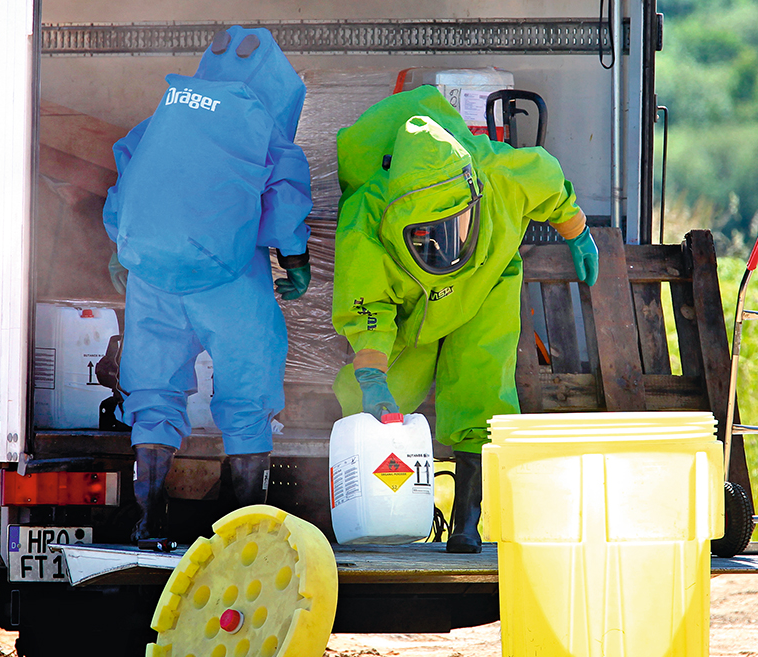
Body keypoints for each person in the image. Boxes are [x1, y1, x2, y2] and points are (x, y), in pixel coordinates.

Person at [331, 86, 599, 553]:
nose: (443, 245)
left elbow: (550, 184)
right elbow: (368, 306)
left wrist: (576, 230)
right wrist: (373, 375)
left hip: (486, 283)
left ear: (473, 194)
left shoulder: (501, 173)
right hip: (411, 306)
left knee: (481, 386)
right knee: (369, 398)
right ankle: (367, 506)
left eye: (454, 227)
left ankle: (467, 522)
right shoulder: (365, 221)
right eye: (426, 236)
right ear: (397, 219)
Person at [102, 26, 312, 541]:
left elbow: (126, 169)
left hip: (150, 273)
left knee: (152, 393)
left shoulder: (164, 115)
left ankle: (148, 521)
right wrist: (296, 258)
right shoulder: (261, 123)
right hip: (227, 277)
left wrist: (122, 246)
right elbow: (283, 198)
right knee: (248, 392)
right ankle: (241, 531)